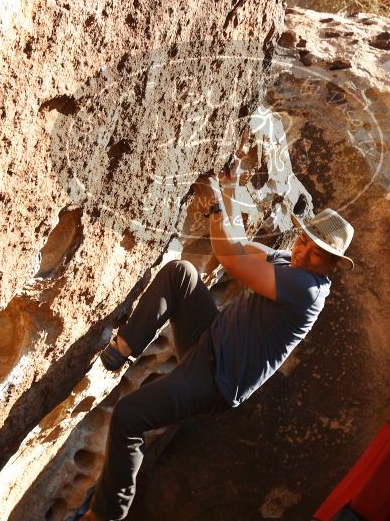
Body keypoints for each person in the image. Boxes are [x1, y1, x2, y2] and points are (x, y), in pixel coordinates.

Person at [83, 165, 355, 520]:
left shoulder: (308, 290)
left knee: (129, 417)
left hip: (216, 378)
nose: (303, 252)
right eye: (304, 240)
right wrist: (229, 190)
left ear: (332, 264)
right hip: (208, 337)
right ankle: (123, 348)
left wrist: (213, 206)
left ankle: (105, 515)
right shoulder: (291, 263)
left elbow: (229, 257)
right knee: (181, 274)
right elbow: (240, 245)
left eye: (316, 252)